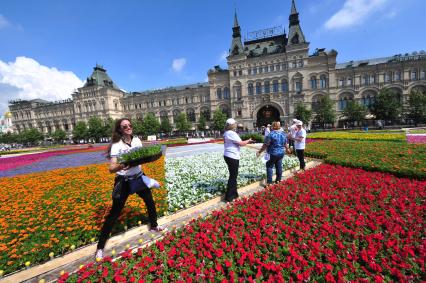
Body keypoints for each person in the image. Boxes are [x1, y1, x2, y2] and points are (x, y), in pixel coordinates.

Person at [95, 118, 164, 261]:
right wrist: (122, 166)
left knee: (150, 201)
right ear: (120, 129)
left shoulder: (137, 140)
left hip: (138, 177)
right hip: (124, 181)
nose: (128, 127)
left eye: (129, 125)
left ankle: (154, 226)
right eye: (124, 126)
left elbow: (142, 156)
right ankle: (100, 248)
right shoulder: (116, 145)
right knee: (114, 213)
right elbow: (111, 168)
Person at [223, 118, 252, 202]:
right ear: (232, 125)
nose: (236, 125)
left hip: (228, 155)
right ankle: (229, 196)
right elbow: (241, 143)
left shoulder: (226, 133)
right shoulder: (232, 133)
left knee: (233, 175)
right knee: (233, 176)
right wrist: (248, 140)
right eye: (235, 123)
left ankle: (234, 194)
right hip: (232, 156)